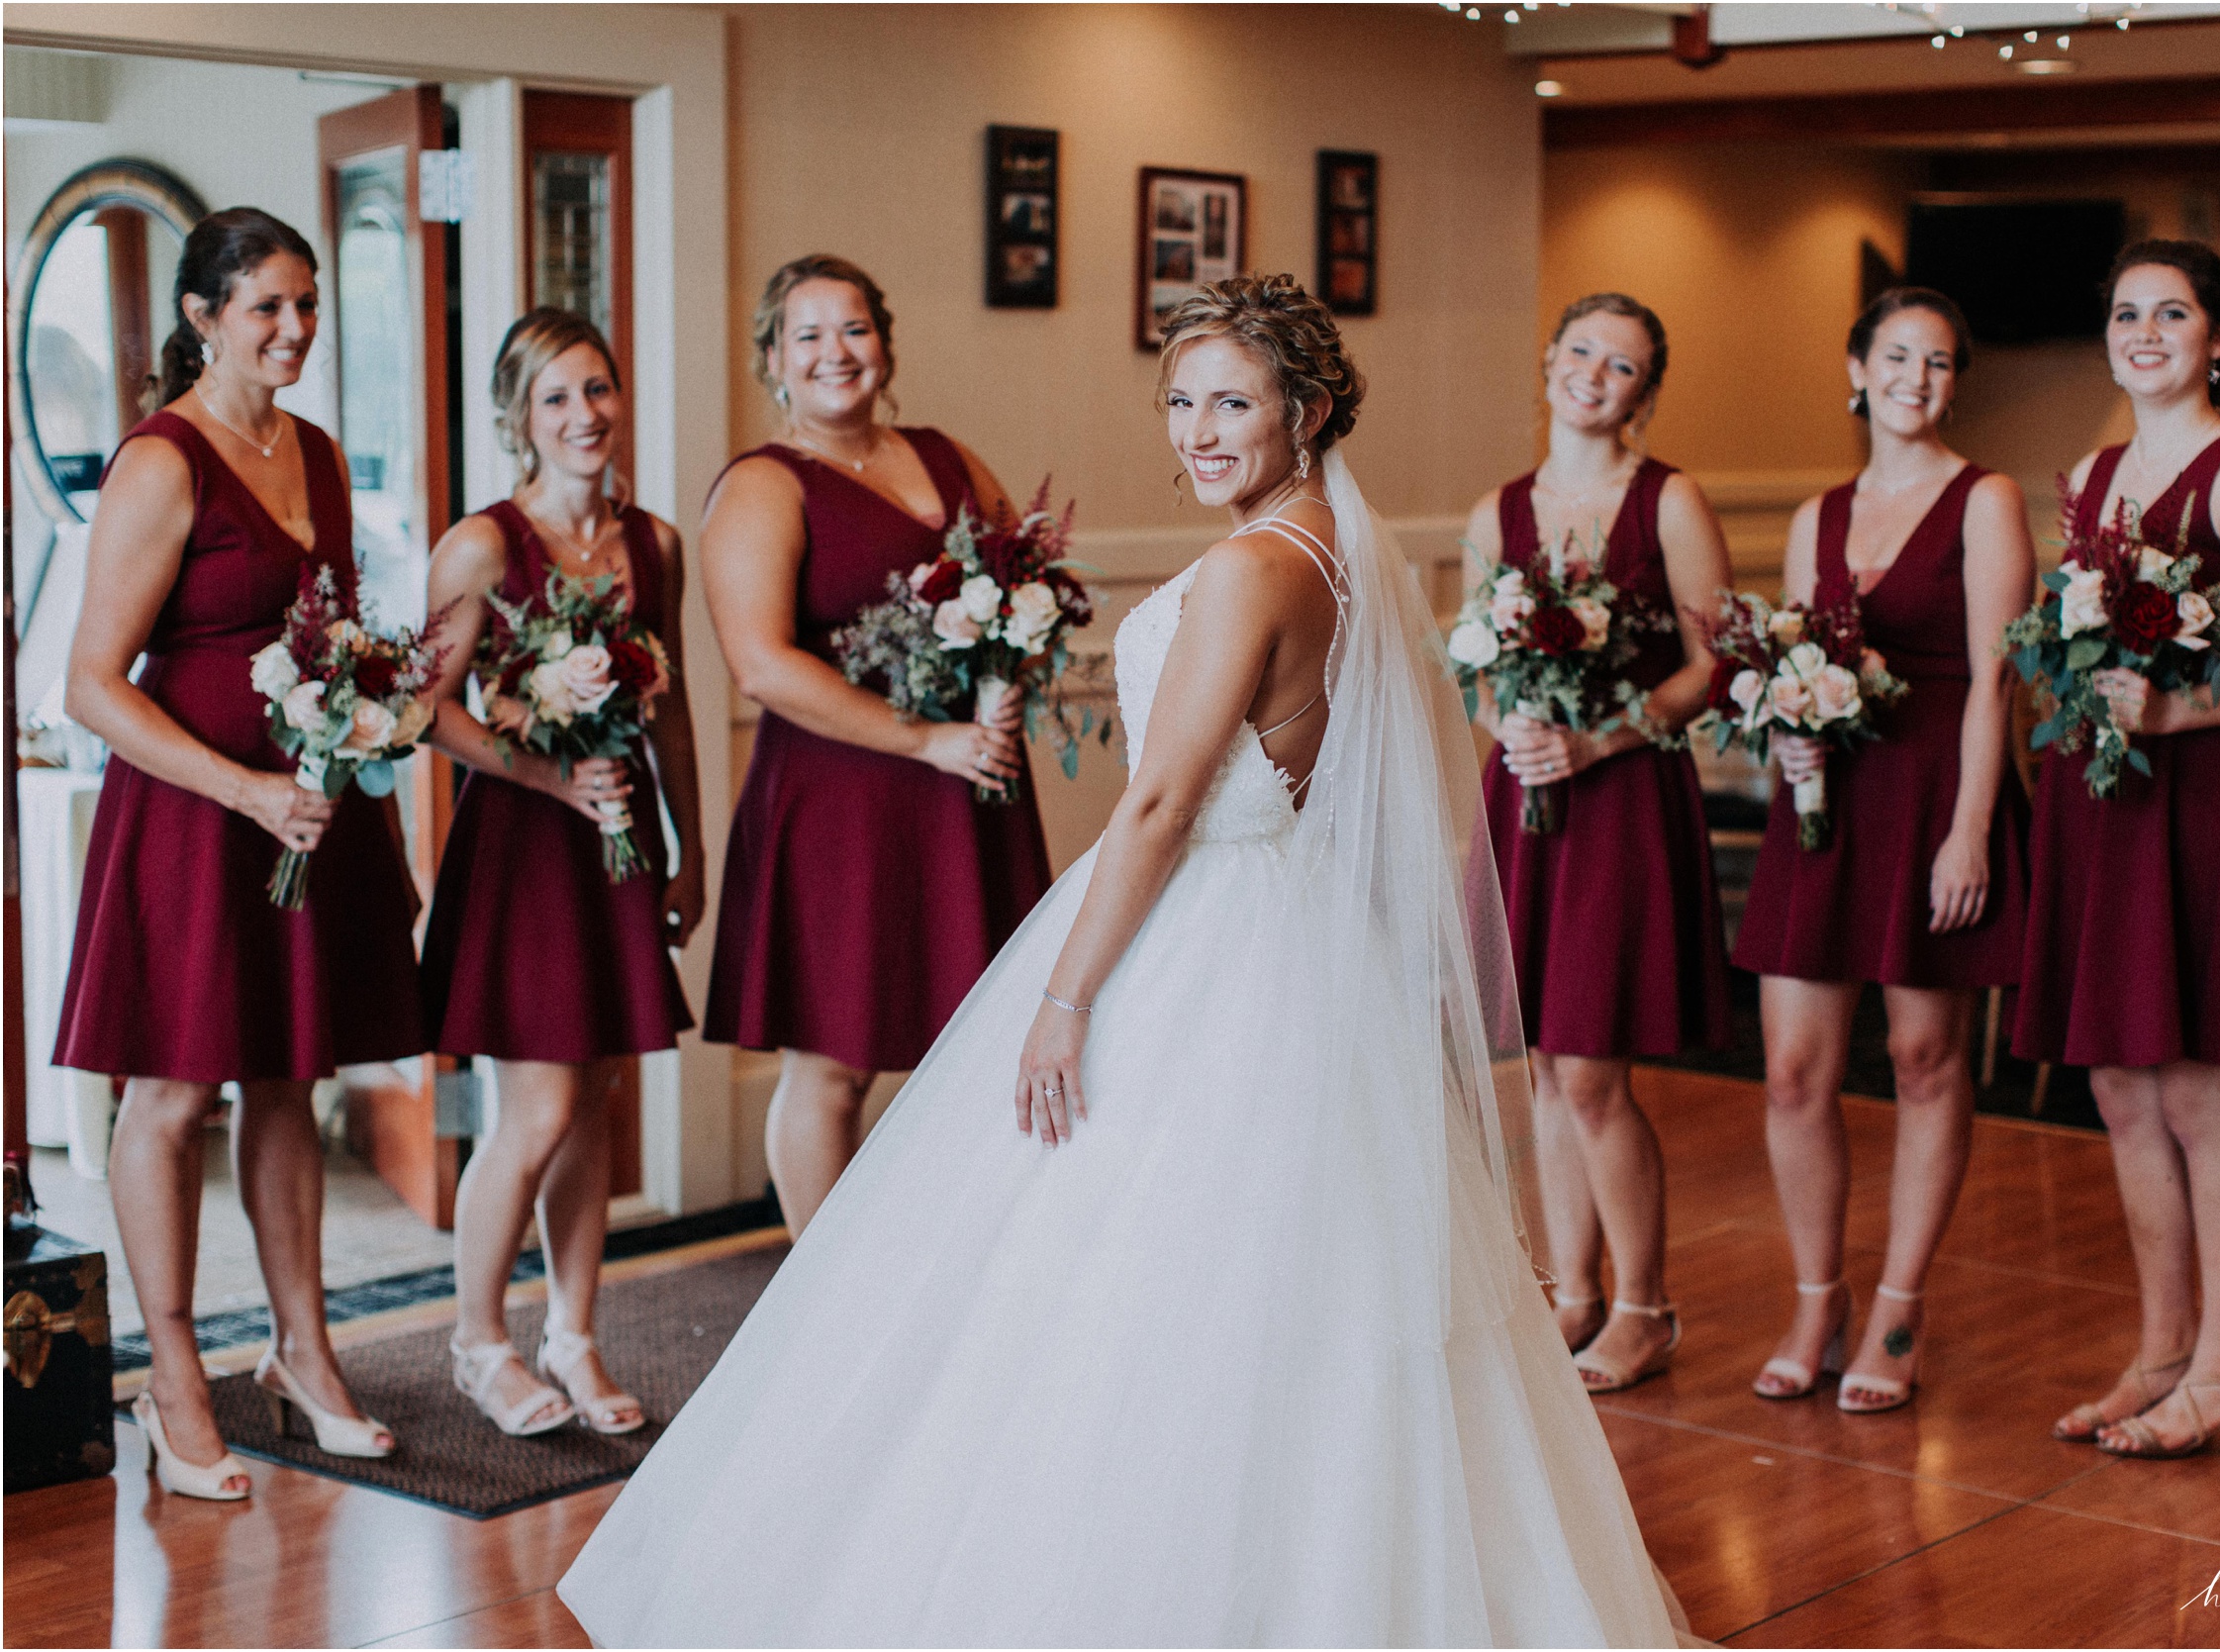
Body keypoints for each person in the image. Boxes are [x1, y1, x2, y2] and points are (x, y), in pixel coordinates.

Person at [558, 275, 1689, 1645]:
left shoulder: (1257, 566)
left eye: (1235, 402)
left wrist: (1064, 995)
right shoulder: (1328, 543)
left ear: (1310, 408)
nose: (1201, 429)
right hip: (1284, 938)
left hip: (1202, 932)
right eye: (1182, 401)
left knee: (1121, 1284)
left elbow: (1158, 804)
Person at [52, 209, 421, 1499]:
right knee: (168, 1097)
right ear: (204, 316)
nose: (294, 329)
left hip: (310, 813)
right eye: (266, 305)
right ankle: (173, 1379)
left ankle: (304, 1355)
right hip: (197, 816)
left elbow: (341, 642)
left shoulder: (316, 452)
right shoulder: (163, 461)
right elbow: (90, 685)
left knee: (291, 1081)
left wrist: (366, 757)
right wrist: (245, 792)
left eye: (307, 305)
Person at [2017, 242, 2220, 1458]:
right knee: (2117, 1084)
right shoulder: (2091, 476)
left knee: (2197, 1087)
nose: (2144, 332)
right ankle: (2161, 1350)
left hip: (2195, 803)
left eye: (2173, 313)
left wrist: (2177, 710)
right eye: (2126, 313)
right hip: (2101, 804)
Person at [700, 254, 1049, 1238]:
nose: (834, 353)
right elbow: (760, 665)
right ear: (773, 358)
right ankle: (821, 1297)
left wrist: (1003, 684)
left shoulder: (945, 454)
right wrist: (925, 739)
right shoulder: (764, 486)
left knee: (981, 1037)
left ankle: (952, 1267)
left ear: (885, 343)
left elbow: (1022, 583)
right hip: (841, 798)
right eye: (807, 335)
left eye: (852, 328)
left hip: (968, 789)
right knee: (835, 1059)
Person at [1732, 288, 2036, 1413]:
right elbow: (1796, 661)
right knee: (1793, 1070)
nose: (1917, 377)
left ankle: (1901, 1305)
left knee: (1921, 1058)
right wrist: (1786, 741)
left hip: (1933, 796)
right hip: (1824, 805)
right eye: (1897, 356)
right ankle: (1818, 1296)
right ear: (1855, 368)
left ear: (1955, 383)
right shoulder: (1817, 515)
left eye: (1940, 361)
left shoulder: (1986, 498)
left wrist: (1969, 830)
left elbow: (1993, 676)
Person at [418, 309, 703, 1437]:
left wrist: (692, 848)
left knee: (596, 1097)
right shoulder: (484, 543)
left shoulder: (657, 543)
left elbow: (670, 707)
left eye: (597, 390)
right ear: (518, 419)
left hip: (623, 835)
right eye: (555, 399)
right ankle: (477, 1340)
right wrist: (544, 776)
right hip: (527, 845)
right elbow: (420, 708)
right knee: (534, 1107)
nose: (583, 416)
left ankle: (573, 1335)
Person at [1465, 293, 1733, 1393]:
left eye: (1620, 366)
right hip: (1525, 796)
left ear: (1644, 393)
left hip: (1619, 796)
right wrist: (1511, 728)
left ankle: (1645, 1304)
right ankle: (1571, 1289)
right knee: (1540, 1064)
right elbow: (1476, 664)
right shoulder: (1499, 510)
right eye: (1581, 351)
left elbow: (1716, 660)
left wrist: (1600, 737)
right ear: (1547, 360)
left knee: (1593, 1071)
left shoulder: (1668, 502)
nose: (1593, 375)